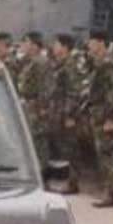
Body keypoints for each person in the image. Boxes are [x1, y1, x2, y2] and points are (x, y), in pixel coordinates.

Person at [83, 30, 113, 208]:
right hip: (98, 113)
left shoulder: (107, 65)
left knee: (107, 154)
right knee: (102, 153)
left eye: (91, 42)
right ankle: (109, 191)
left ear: (100, 43)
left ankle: (111, 193)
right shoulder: (98, 63)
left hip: (104, 115)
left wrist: (110, 118)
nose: (89, 45)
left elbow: (112, 93)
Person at [46, 34, 82, 191]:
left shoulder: (70, 66)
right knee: (61, 148)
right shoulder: (59, 65)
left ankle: (73, 182)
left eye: (57, 44)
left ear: (65, 48)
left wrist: (69, 115)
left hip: (65, 114)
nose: (54, 47)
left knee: (70, 149)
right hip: (56, 112)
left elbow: (73, 92)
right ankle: (63, 179)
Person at [15, 32, 52, 162]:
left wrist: (42, 108)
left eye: (26, 42)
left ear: (35, 46)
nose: (23, 45)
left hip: (35, 108)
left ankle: (41, 169)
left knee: (37, 143)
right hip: (29, 106)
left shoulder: (41, 62)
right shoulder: (30, 62)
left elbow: (45, 87)